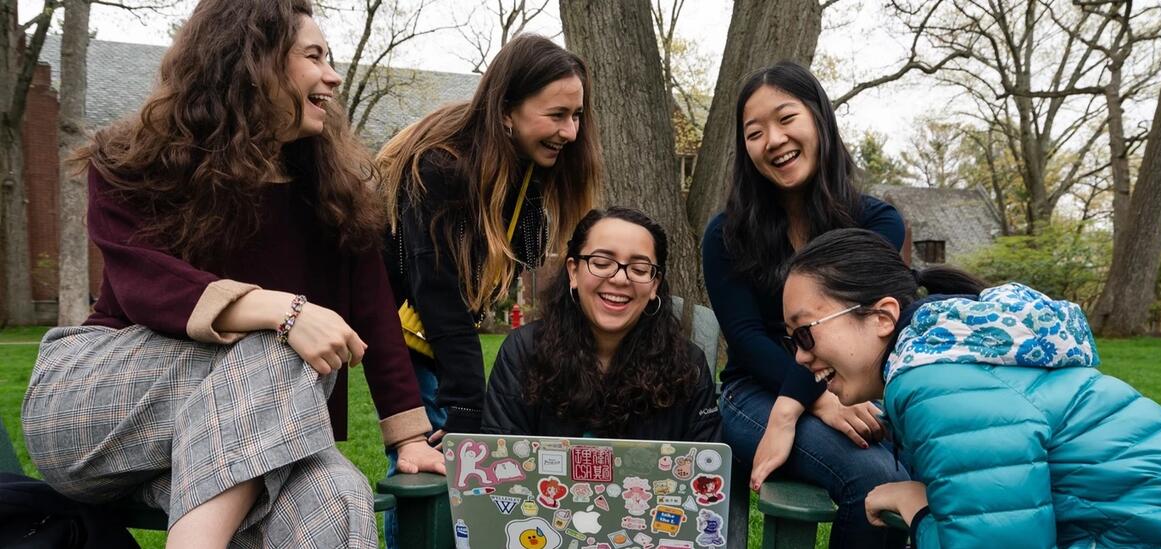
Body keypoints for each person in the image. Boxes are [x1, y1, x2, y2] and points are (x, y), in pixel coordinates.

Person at [21, 2, 443, 547]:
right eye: (313, 56)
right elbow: (141, 282)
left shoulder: (333, 192)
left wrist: (408, 438)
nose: (333, 75)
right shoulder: (133, 161)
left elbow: (376, 317)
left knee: (337, 496)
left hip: (235, 441)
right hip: (96, 415)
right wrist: (282, 311)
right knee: (281, 344)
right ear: (251, 62)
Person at [782, 228, 1161, 548]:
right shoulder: (958, 361)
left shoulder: (933, 384)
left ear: (882, 317)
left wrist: (917, 507)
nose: (799, 358)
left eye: (805, 333)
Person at [375, 33, 601, 548]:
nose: (570, 130)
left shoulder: (523, 173)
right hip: (403, 335)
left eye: (577, 115)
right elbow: (436, 291)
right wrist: (465, 403)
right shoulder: (438, 167)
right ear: (506, 111)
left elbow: (516, 262)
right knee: (427, 466)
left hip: (439, 333)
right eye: (557, 114)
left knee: (456, 467)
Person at [701, 61, 909, 547]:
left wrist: (794, 409)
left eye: (786, 118)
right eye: (754, 132)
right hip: (755, 393)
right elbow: (747, 339)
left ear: (820, 119)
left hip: (856, 386)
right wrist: (810, 399)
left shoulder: (877, 223)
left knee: (931, 468)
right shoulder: (727, 234)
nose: (772, 139)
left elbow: (868, 331)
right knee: (874, 477)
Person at [483, 207, 720, 442]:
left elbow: (706, 469)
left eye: (639, 269)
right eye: (601, 262)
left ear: (654, 285)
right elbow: (499, 460)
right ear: (574, 271)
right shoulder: (523, 352)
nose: (619, 279)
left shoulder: (688, 366)